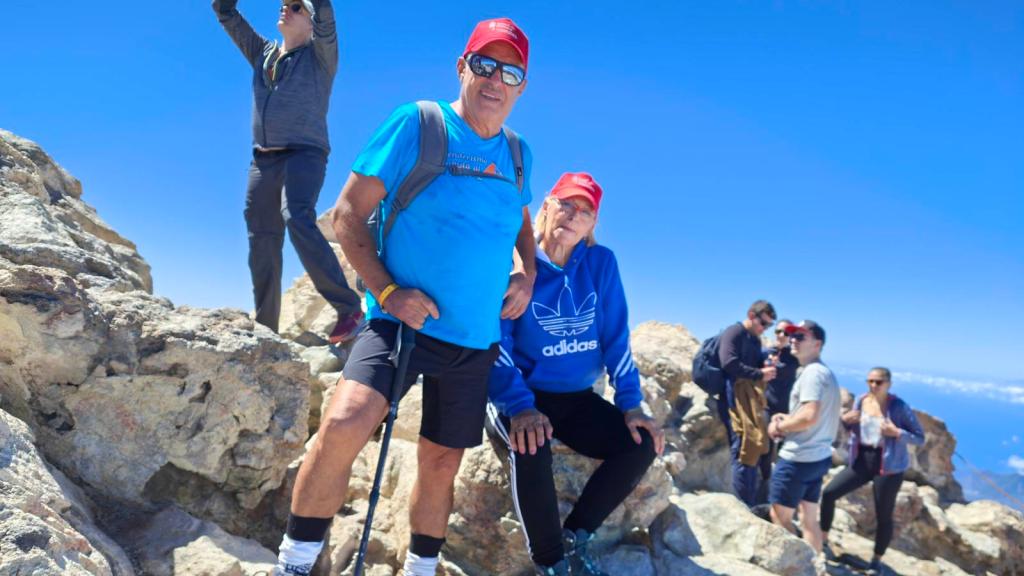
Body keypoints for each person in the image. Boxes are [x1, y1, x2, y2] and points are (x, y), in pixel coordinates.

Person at [272, 18, 537, 576]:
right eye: (485, 64)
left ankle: (420, 567)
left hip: (475, 339)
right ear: (462, 68)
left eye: (510, 72)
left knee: (441, 463)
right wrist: (389, 293)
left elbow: (519, 221)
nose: (496, 79)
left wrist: (527, 272)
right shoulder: (419, 124)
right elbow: (348, 214)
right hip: (400, 326)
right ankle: (294, 562)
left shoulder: (518, 153)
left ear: (522, 86)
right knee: (344, 424)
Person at [487, 173, 665, 576]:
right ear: (547, 206)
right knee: (531, 443)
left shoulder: (601, 263)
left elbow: (616, 337)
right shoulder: (515, 262)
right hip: (520, 392)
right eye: (566, 204)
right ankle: (551, 563)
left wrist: (632, 404)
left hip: (576, 397)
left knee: (640, 444)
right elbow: (497, 341)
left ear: (592, 224)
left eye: (584, 211)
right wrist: (519, 406)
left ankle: (575, 535)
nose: (573, 215)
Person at [212, 0, 363, 343]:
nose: (285, 9)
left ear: (311, 23)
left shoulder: (320, 56)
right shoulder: (263, 53)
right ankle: (266, 328)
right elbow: (226, 13)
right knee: (261, 238)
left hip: (304, 153)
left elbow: (326, 16)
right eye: (284, 4)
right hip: (263, 160)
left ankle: (348, 308)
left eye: (296, 7)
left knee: (296, 215)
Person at [820, 367, 925, 575]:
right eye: (870, 381)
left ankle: (876, 561)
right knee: (829, 493)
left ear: (889, 384)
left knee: (883, 515)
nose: (873, 385)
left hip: (889, 467)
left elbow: (919, 437)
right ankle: (822, 542)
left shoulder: (898, 406)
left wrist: (896, 432)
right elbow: (855, 430)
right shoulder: (861, 400)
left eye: (878, 382)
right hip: (862, 460)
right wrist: (847, 422)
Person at [767, 320, 841, 564]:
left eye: (800, 336)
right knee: (809, 518)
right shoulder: (825, 373)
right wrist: (788, 418)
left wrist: (779, 426)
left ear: (817, 344)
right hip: (818, 457)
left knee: (779, 518)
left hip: (798, 458)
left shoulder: (812, 374)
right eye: (792, 336)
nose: (793, 340)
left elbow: (809, 416)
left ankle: (800, 565)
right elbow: (813, 414)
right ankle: (817, 565)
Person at [716, 300, 778, 507]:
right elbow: (729, 363)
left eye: (769, 325)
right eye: (763, 323)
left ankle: (750, 503)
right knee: (743, 449)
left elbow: (752, 362)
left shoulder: (754, 339)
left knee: (752, 448)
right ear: (751, 315)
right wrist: (760, 374)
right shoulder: (734, 332)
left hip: (748, 400)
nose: (764, 328)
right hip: (734, 399)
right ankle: (743, 506)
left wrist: (766, 361)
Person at [757, 319, 800, 501]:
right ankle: (764, 489)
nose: (782, 335)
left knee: (785, 451)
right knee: (765, 450)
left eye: (786, 333)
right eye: (778, 331)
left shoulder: (795, 356)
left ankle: (784, 493)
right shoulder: (768, 352)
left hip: (788, 411)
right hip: (768, 406)